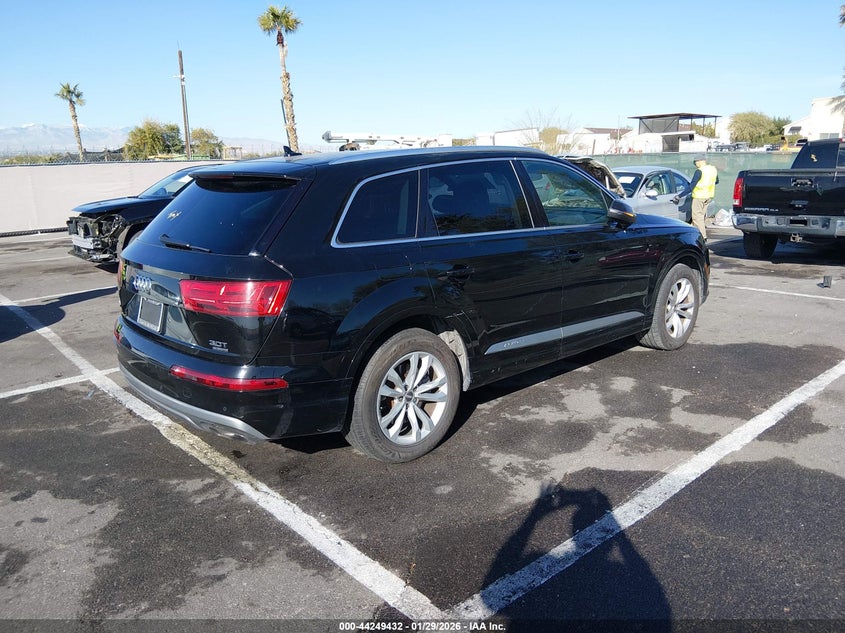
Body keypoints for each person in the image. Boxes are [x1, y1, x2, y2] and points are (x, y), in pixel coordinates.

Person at [689, 155, 718, 239]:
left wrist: (679, 196)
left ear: (699, 161)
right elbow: (716, 181)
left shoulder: (699, 171)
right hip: (708, 197)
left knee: (697, 218)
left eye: (695, 162)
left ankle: (703, 237)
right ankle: (695, 235)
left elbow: (691, 186)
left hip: (699, 197)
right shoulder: (713, 169)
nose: (695, 164)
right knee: (701, 217)